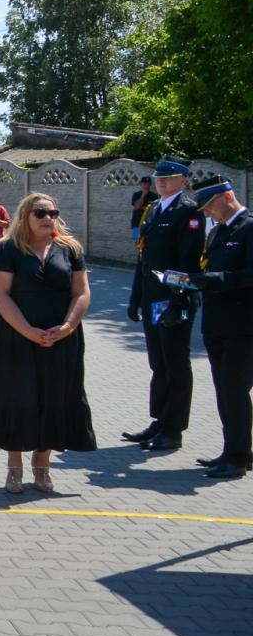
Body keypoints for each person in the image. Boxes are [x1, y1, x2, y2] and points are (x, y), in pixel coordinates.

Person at [0, 193, 96, 494]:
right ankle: (14, 467)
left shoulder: (70, 249)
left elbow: (81, 292)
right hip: (15, 337)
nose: (47, 218)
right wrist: (27, 330)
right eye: (40, 213)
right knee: (17, 396)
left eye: (52, 212)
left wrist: (68, 326)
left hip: (61, 338)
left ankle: (42, 465)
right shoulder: (8, 249)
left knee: (55, 397)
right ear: (25, 215)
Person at [122, 157, 207, 452]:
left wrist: (178, 300)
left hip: (172, 301)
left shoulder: (189, 212)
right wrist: (135, 297)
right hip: (151, 298)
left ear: (183, 180)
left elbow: (188, 262)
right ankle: (159, 421)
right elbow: (143, 258)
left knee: (175, 363)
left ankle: (174, 430)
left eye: (169, 177)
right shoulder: (154, 209)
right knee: (158, 363)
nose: (161, 181)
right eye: (159, 177)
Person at [187, 180, 253, 480]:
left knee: (235, 392)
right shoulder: (218, 230)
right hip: (216, 325)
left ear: (228, 196)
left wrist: (216, 279)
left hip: (242, 327)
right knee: (224, 392)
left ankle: (238, 458)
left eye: (211, 205)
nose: (208, 213)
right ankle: (232, 451)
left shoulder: (249, 228)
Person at [130, 175, 158, 244]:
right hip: (137, 222)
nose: (145, 184)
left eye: (147, 183)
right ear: (140, 184)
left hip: (149, 223)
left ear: (150, 185)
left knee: (148, 242)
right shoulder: (136, 195)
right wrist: (143, 194)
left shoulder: (154, 196)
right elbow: (136, 207)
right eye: (143, 183)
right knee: (137, 241)